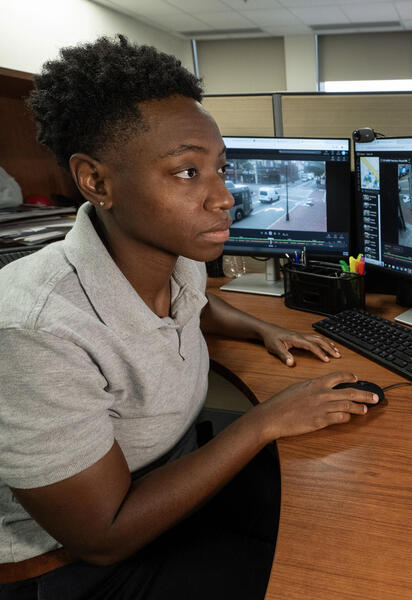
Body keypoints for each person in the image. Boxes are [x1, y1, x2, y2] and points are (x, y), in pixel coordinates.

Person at [0, 35, 378, 600]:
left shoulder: (173, 259)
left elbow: (195, 303)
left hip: (169, 473)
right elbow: (102, 536)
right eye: (186, 172)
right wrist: (264, 420)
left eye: (221, 169)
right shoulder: (35, 330)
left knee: (351, 511)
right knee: (329, 574)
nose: (225, 197)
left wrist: (259, 327)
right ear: (95, 181)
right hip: (70, 566)